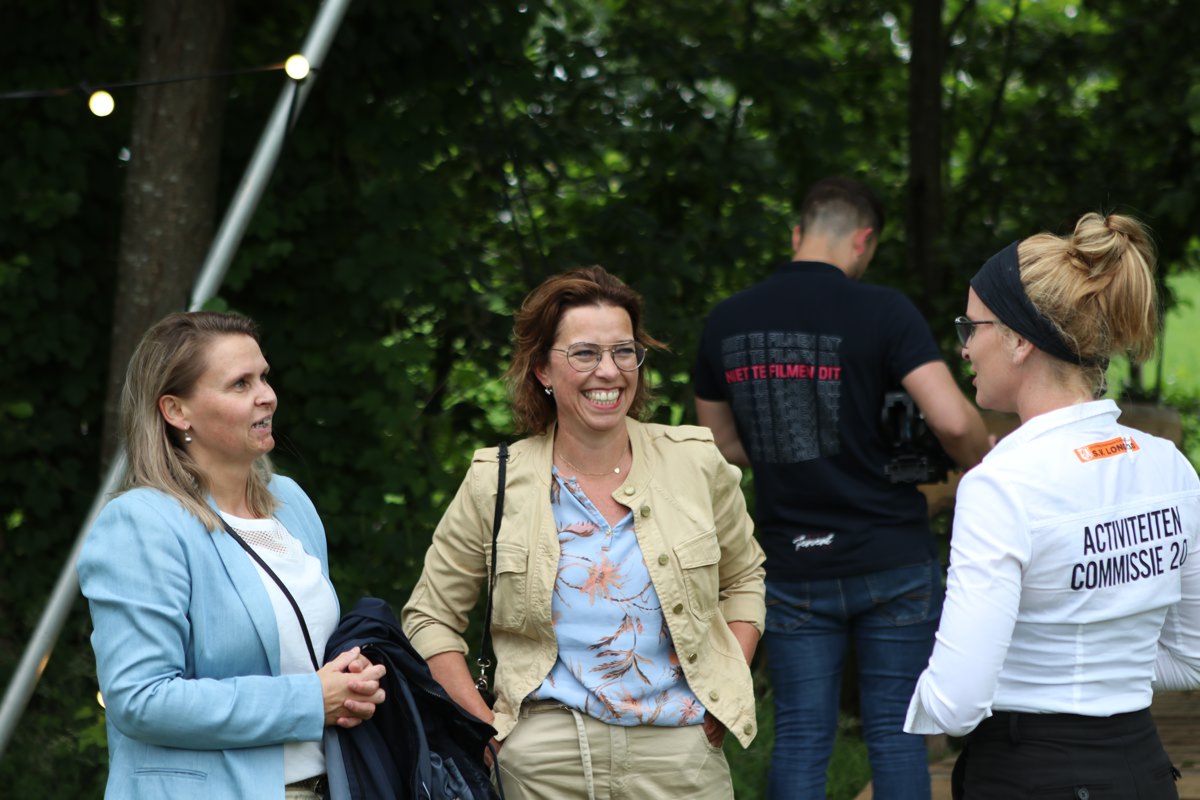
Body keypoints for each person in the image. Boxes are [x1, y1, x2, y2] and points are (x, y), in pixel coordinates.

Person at [402, 266, 766, 799]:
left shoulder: (695, 463)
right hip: (542, 761)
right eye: (585, 353)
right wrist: (481, 725)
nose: (609, 371)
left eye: (623, 351)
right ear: (542, 369)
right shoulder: (495, 480)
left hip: (679, 755)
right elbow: (430, 616)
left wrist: (726, 683)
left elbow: (745, 579)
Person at [693, 176, 991, 799]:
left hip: (793, 563)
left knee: (802, 737)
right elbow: (955, 421)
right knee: (898, 734)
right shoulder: (884, 312)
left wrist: (779, 452)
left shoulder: (728, 320)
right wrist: (982, 464)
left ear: (797, 234)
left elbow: (717, 443)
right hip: (892, 558)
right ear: (864, 241)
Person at [905, 213, 1200, 797]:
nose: (964, 347)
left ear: (1020, 340)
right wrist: (1097, 671)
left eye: (972, 327)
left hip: (1028, 773)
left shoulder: (1000, 485)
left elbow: (957, 702)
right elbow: (1192, 655)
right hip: (1142, 772)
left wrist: (917, 702)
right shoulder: (1169, 466)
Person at [77, 311, 387, 800]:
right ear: (176, 411)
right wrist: (309, 700)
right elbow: (141, 699)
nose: (267, 395)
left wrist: (353, 683)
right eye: (240, 384)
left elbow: (304, 661)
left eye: (264, 377)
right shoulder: (141, 522)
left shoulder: (291, 503)